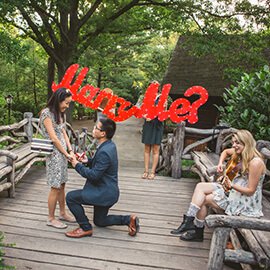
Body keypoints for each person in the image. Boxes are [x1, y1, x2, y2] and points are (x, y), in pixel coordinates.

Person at [170, 130, 266, 242]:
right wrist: (221, 167)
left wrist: (231, 185)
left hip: (245, 202)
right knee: (201, 187)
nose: (234, 146)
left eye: (237, 143)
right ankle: (189, 221)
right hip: (234, 191)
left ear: (246, 143)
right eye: (233, 142)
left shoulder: (256, 163)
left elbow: (250, 191)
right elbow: (226, 152)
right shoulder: (241, 153)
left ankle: (197, 230)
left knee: (204, 199)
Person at [65, 117, 140, 238]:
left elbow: (94, 175)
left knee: (71, 197)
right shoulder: (109, 145)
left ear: (103, 133)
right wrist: (86, 161)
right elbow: (100, 164)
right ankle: (128, 220)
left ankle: (85, 228)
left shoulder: (104, 151)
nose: (93, 129)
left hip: (103, 192)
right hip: (109, 190)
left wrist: (77, 165)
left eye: (96, 128)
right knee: (100, 221)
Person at [40, 88, 76, 229]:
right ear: (58, 99)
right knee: (55, 186)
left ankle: (62, 213)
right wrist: (66, 154)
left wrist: (70, 150)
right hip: (54, 154)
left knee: (62, 184)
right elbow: (54, 138)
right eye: (66, 103)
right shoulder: (46, 113)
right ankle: (51, 218)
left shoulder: (60, 114)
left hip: (62, 154)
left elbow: (64, 133)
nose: (67, 106)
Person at [141, 84, 164, 180]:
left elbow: (164, 114)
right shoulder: (146, 98)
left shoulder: (162, 98)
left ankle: (152, 172)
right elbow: (140, 110)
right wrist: (145, 116)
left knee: (156, 149)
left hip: (158, 125)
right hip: (148, 124)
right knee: (147, 148)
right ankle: (146, 171)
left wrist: (163, 107)